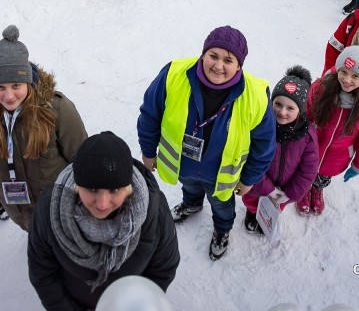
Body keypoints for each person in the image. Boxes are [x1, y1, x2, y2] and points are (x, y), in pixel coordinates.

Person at [137, 25, 276, 260]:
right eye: (213, 55)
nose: (218, 66)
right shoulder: (174, 74)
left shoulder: (256, 94)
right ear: (203, 54)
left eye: (228, 60)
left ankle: (222, 229)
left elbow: (264, 144)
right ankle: (191, 204)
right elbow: (150, 114)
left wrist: (250, 178)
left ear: (239, 65)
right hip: (184, 164)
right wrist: (148, 151)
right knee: (189, 186)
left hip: (220, 175)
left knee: (221, 204)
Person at [28, 131, 179, 309]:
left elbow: (163, 268)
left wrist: (138, 303)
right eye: (91, 189)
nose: (102, 204)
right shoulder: (49, 210)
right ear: (77, 185)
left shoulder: (154, 210)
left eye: (115, 190)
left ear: (128, 188)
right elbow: (43, 273)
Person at [0, 25, 88, 230]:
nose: (9, 96)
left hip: (60, 204)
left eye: (16, 86)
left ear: (29, 81)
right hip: (17, 208)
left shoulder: (56, 108)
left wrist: (84, 199)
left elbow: (82, 159)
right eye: (0, 87)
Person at [299, 46, 359, 215]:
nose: (347, 80)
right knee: (306, 171)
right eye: (343, 72)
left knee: (323, 176)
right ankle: (304, 189)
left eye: (355, 76)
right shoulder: (321, 87)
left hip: (337, 155)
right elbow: (306, 115)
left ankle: (317, 189)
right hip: (311, 147)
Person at [241, 66, 318, 232]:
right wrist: (267, 188)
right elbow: (247, 159)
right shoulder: (260, 126)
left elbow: (308, 171)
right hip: (257, 184)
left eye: (290, 108)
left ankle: (267, 219)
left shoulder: (307, 137)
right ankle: (252, 213)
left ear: (301, 111)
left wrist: (290, 194)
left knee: (275, 206)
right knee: (252, 202)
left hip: (285, 189)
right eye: (278, 104)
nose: (282, 112)